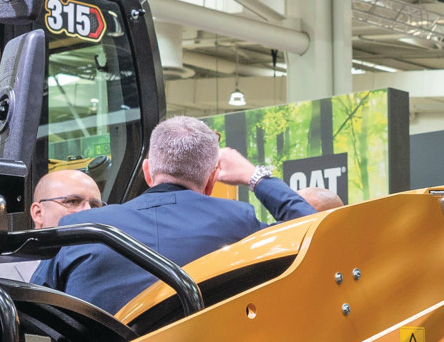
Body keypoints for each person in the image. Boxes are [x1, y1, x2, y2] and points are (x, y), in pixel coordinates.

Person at [37, 117, 313, 315]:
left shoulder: (80, 228)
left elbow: (35, 311)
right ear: (212, 181)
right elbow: (311, 229)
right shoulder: (239, 221)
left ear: (147, 172)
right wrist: (254, 176)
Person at [0, 168, 103, 281]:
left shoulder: (105, 266)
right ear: (38, 213)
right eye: (72, 202)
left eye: (95, 206)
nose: (88, 211)